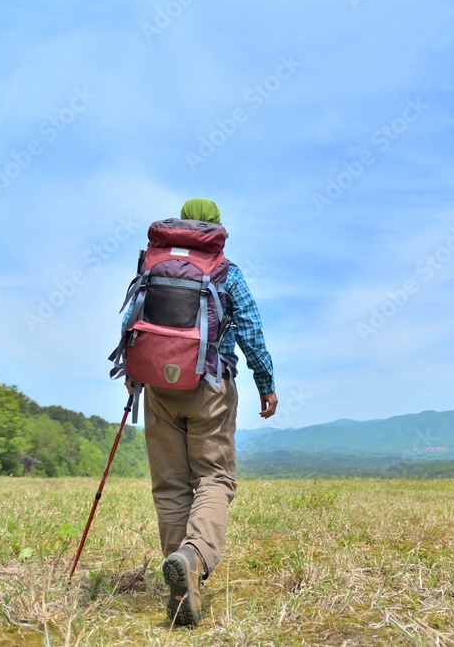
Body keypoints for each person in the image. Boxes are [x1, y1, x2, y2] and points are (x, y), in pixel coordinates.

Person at [124, 198, 278, 627]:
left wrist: (134, 374)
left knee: (171, 486)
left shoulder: (153, 265)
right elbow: (250, 328)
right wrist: (265, 382)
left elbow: (132, 318)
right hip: (210, 384)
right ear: (215, 227)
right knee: (214, 478)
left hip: (157, 386)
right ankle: (191, 560)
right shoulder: (226, 271)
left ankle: (180, 576)